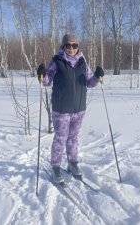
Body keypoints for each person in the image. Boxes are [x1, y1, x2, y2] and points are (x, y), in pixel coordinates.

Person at [37, 34, 104, 184]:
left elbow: (90, 82)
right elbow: (47, 81)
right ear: (63, 46)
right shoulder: (57, 61)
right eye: (68, 45)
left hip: (79, 108)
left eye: (74, 45)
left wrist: (97, 76)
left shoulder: (82, 62)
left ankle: (72, 164)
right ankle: (55, 167)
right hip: (61, 109)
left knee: (73, 138)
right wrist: (41, 74)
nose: (71, 48)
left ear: (78, 46)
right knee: (60, 139)